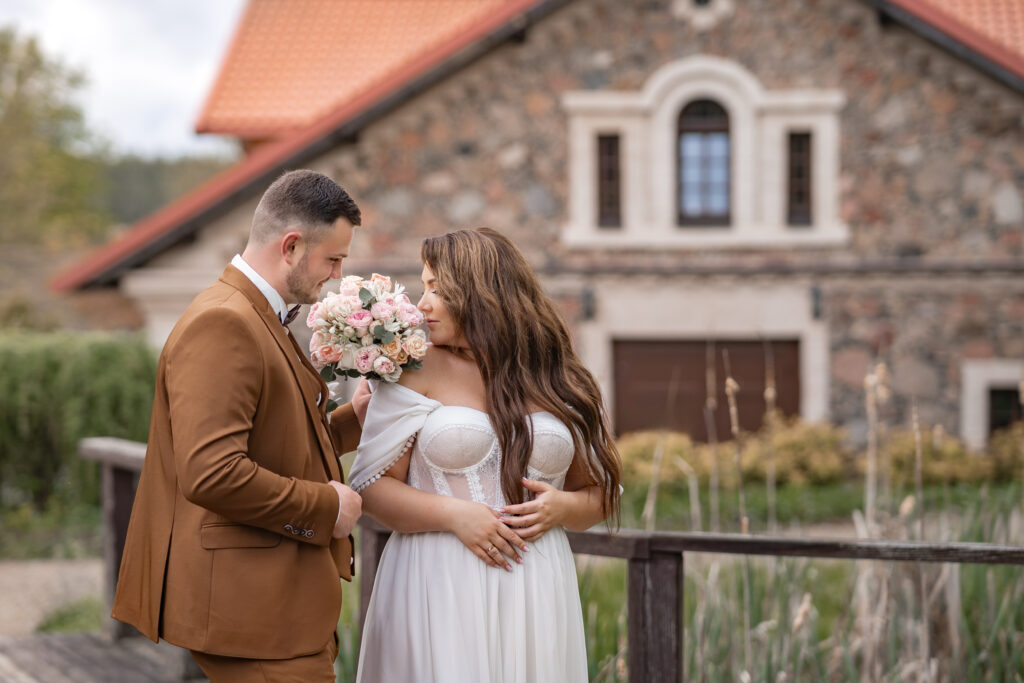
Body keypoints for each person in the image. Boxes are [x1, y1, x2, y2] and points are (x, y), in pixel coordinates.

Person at [112, 170, 367, 682]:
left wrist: (353, 421)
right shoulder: (224, 321)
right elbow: (212, 473)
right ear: (292, 246)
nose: (337, 275)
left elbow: (277, 442)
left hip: (273, 609)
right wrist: (327, 507)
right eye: (333, 259)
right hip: (254, 614)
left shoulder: (258, 314)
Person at [350, 227, 622, 682]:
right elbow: (372, 488)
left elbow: (600, 493)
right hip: (438, 580)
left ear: (479, 292)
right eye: (423, 287)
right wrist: (457, 516)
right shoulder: (413, 367)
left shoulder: (557, 376)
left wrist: (563, 507)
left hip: (536, 585)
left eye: (436, 288)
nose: (422, 303)